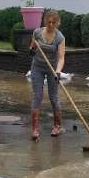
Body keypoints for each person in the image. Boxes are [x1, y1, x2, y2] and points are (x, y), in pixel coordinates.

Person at [28, 9, 66, 140]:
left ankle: (57, 126)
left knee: (53, 98)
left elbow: (61, 58)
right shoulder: (37, 32)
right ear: (45, 21)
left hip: (52, 69)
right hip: (37, 67)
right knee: (37, 96)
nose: (50, 24)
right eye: (48, 22)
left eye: (53, 22)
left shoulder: (60, 37)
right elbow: (33, 46)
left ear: (57, 23)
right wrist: (32, 49)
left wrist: (58, 71)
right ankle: (35, 129)